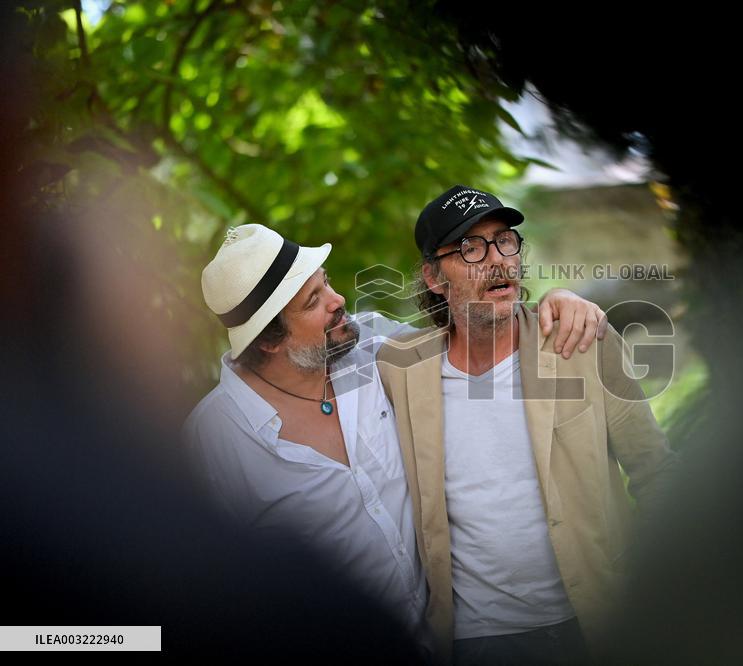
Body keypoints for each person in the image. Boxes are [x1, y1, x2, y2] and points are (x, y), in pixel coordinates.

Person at [182, 222, 607, 651]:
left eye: (325, 282)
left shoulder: (376, 349)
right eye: (313, 300)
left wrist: (558, 304)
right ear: (270, 341)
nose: (337, 301)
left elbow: (475, 334)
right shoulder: (214, 440)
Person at [376, 185, 679, 664]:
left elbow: (656, 472)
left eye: (505, 240)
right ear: (433, 277)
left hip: (599, 623)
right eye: (471, 248)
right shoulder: (398, 368)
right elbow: (321, 333)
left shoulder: (582, 342)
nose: (497, 260)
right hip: (476, 640)